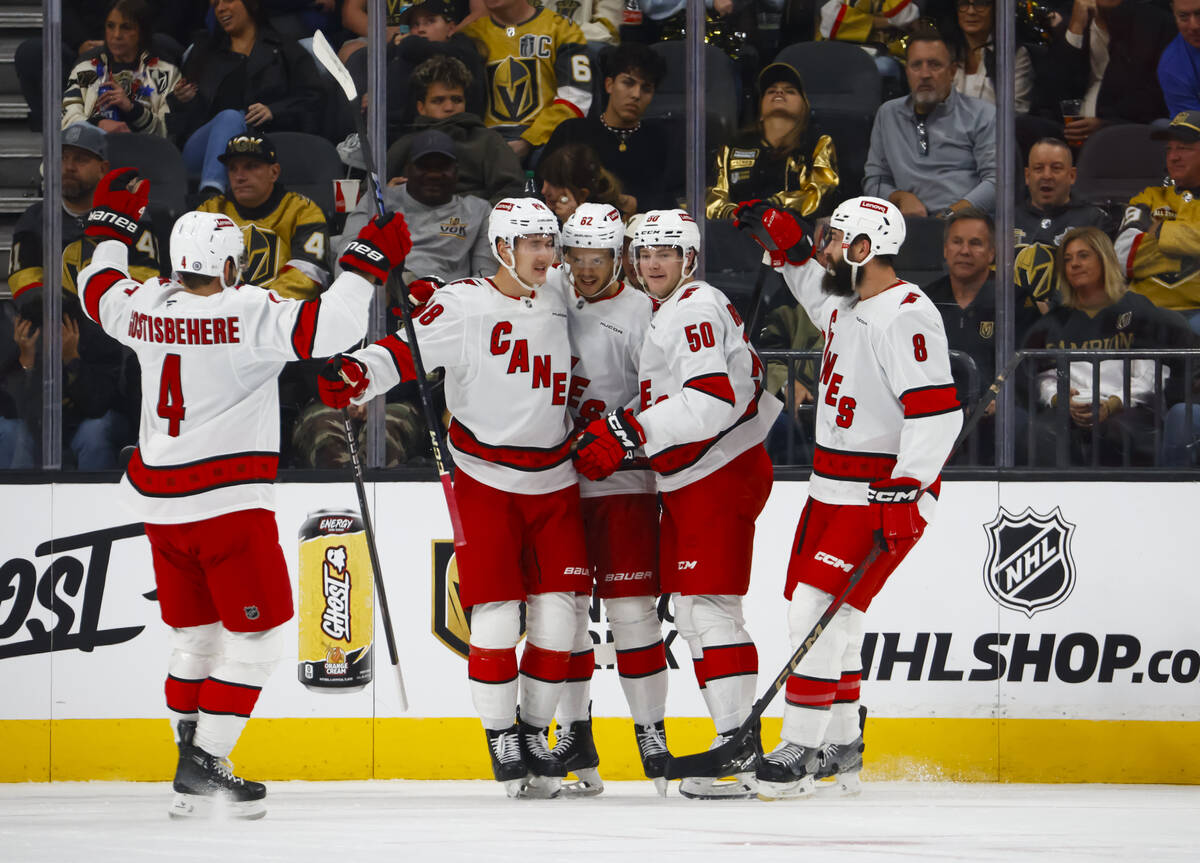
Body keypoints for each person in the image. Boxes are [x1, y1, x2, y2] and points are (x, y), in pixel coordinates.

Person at [75, 167, 411, 817]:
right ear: (231, 267)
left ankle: (189, 755)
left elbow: (97, 289)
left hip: (161, 507)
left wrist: (108, 231)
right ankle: (207, 759)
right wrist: (368, 258)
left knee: (195, 637)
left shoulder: (146, 305)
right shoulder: (246, 310)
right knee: (258, 641)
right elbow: (330, 329)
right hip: (227, 503)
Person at [318, 198, 591, 799]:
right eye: (534, 244)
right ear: (502, 249)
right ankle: (500, 738)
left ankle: (532, 731)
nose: (548, 256)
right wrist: (355, 376)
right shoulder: (462, 305)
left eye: (551, 243)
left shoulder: (560, 292)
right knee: (495, 616)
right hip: (486, 480)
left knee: (559, 617)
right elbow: (400, 352)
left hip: (555, 480)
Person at [734, 195, 961, 799]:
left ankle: (800, 748)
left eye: (836, 240)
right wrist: (787, 250)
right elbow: (816, 287)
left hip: (879, 492)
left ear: (865, 250)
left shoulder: (907, 314)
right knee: (842, 620)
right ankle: (842, 742)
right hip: (832, 487)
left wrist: (909, 488)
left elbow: (938, 415)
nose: (828, 248)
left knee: (813, 613)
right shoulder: (851, 299)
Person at [572, 209, 781, 800]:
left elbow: (711, 398)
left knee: (709, 611)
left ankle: (739, 755)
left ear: (689, 259)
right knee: (696, 612)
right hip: (698, 475)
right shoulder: (677, 307)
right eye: (645, 253)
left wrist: (625, 432)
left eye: (666, 253)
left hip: (719, 470)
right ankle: (740, 745)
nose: (652, 263)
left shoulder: (692, 308)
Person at [544, 203, 665, 797]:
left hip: (623, 482)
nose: (586, 269)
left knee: (631, 613)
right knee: (561, 615)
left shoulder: (644, 313)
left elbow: (663, 396)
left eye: (598, 257)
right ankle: (575, 737)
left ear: (619, 256)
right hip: (558, 483)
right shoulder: (547, 296)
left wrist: (619, 438)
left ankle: (652, 735)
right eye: (576, 256)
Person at [296, 130, 494, 470]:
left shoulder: (476, 211)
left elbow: (485, 288)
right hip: (368, 319)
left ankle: (388, 521)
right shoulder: (380, 200)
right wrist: (389, 281)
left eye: (442, 167)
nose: (433, 174)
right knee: (326, 440)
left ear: (456, 172)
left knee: (381, 441)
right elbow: (348, 257)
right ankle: (342, 520)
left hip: (430, 332)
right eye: (424, 166)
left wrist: (423, 292)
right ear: (408, 169)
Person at [1025, 227, 1191, 466]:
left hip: (1128, 407)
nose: (1074, 264)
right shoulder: (1054, 321)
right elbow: (1044, 375)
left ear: (1104, 258)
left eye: (1083, 255)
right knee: (1041, 432)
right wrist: (1058, 398)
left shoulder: (1138, 310)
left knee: (1113, 432)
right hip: (1071, 409)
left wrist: (1112, 403)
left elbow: (1151, 375)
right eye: (1068, 259)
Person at [171, 0, 325, 196]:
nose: (220, 8)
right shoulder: (204, 52)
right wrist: (183, 101)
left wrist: (273, 111)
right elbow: (183, 123)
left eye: (227, 0)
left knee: (235, 121)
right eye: (215, 4)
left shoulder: (286, 50)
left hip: (264, 147)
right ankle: (211, 195)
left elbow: (313, 99)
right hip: (202, 149)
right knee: (230, 117)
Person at [8, 124, 162, 302]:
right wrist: (43, 309)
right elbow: (24, 279)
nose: (69, 167)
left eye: (80, 159)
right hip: (55, 322)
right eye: (63, 158)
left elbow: (144, 279)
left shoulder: (131, 215)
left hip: (110, 322)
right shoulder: (34, 218)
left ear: (103, 169)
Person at [863, 28, 997, 218]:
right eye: (916, 65)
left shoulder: (983, 115)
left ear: (952, 71)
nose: (925, 74)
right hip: (905, 224)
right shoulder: (888, 114)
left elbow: (996, 183)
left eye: (935, 65)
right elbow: (874, 181)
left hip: (966, 226)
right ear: (907, 71)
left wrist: (951, 215)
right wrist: (899, 197)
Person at [542, 42, 681, 214]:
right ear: (609, 85)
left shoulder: (659, 139)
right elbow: (543, 188)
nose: (636, 95)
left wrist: (637, 204)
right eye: (628, 83)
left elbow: (672, 199)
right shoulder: (571, 132)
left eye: (646, 88)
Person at [923, 208, 1011, 464]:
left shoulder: (1014, 301)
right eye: (957, 242)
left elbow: (1028, 367)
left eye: (975, 243)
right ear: (945, 249)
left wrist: (1002, 399)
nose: (964, 251)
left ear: (992, 252)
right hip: (937, 414)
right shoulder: (923, 302)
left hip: (997, 417)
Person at [196, 133, 330, 300]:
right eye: (233, 168)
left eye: (251, 166)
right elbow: (189, 276)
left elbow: (309, 273)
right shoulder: (208, 212)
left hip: (281, 316)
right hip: (223, 319)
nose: (239, 176)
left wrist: (262, 306)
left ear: (274, 172)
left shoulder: (303, 211)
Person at [461, 0, 594, 162]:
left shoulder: (562, 28)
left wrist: (530, 140)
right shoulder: (469, 36)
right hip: (485, 141)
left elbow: (577, 96)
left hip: (545, 141)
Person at [707, 62, 840, 222]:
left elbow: (821, 192)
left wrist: (772, 207)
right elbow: (713, 195)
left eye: (790, 91)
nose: (779, 92)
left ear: (804, 107)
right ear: (761, 108)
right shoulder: (734, 146)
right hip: (736, 234)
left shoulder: (817, 143)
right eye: (771, 91)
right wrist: (732, 213)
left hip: (796, 237)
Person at [385, 55, 526, 205]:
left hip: (476, 224)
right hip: (414, 222)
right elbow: (371, 192)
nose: (449, 107)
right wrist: (387, 194)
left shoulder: (488, 141)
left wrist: (481, 218)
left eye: (457, 100)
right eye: (438, 101)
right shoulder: (404, 145)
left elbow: (512, 191)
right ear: (421, 107)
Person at [1038, 0, 1174, 149]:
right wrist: (1075, 29)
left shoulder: (1153, 25)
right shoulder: (1076, 20)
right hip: (1069, 131)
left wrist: (1106, 124)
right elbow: (1052, 91)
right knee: (1026, 126)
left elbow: (1151, 98)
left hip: (1124, 129)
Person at [1115, 113, 1200, 332]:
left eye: (1183, 148)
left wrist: (1160, 230)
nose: (1173, 157)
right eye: (1169, 149)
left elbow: (1138, 250)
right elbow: (1123, 257)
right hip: (1145, 314)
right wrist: (1190, 252)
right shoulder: (1148, 197)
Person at [1013, 137, 1111, 317]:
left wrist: (1053, 309)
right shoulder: (1006, 220)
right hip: (1011, 324)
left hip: (1071, 322)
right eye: (1038, 168)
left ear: (1072, 175)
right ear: (1027, 176)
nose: (1047, 175)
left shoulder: (1094, 221)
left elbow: (1100, 281)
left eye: (1056, 168)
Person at [61, 0, 181, 137]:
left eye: (126, 27)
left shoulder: (165, 73)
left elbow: (167, 132)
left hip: (144, 154)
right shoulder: (86, 67)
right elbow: (66, 118)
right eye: (110, 26)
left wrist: (132, 109)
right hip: (91, 153)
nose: (116, 35)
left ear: (142, 32)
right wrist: (97, 124)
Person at [946, 0, 1034, 114]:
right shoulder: (946, 52)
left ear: (996, 9)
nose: (971, 11)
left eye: (980, 4)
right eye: (964, 3)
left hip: (995, 131)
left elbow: (1015, 112)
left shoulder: (1014, 55)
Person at [538, 142, 625, 222]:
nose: (544, 191)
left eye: (555, 185)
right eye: (545, 180)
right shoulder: (541, 207)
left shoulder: (608, 220)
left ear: (583, 194)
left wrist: (571, 221)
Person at [1159, 0, 1200, 116]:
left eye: (1199, 14)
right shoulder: (1172, 67)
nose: (1194, 26)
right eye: (1183, 17)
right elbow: (1193, 127)